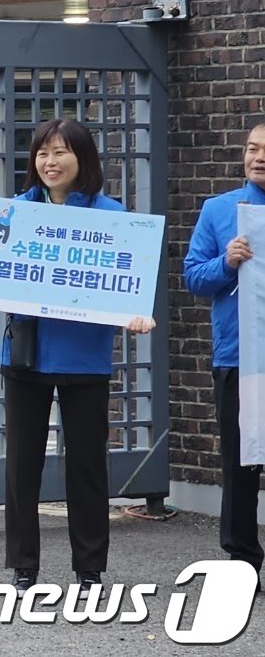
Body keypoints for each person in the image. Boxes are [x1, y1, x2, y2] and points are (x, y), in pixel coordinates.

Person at [0, 117, 155, 599]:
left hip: (84, 358)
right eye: (43, 153)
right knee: (21, 466)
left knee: (87, 466)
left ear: (82, 158)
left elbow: (131, 286)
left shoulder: (111, 217)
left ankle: (89, 567)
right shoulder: (17, 212)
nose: (49, 162)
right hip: (27, 355)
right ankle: (24, 565)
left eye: (60, 153)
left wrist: (137, 315)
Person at [183, 121, 265, 580]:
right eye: (252, 148)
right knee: (240, 461)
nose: (259, 157)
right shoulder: (219, 211)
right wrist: (226, 261)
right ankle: (242, 561)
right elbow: (194, 277)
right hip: (239, 354)